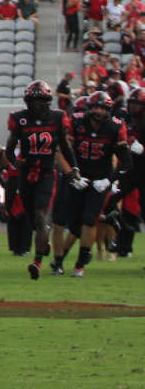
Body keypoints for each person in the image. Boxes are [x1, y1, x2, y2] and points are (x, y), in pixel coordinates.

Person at [3, 81, 79, 281]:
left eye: (40, 99)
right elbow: (9, 148)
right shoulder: (19, 119)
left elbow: (65, 146)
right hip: (26, 174)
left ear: (46, 101)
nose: (36, 103)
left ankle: (37, 261)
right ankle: (44, 244)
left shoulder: (57, 118)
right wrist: (13, 161)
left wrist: (74, 168)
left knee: (40, 215)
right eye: (33, 100)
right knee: (32, 220)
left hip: (46, 172)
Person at [51, 91, 131, 277]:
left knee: (89, 219)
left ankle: (80, 265)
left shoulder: (115, 126)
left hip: (99, 181)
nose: (98, 111)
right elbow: (60, 151)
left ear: (108, 110)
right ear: (89, 108)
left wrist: (108, 181)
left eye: (102, 108)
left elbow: (126, 162)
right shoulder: (77, 121)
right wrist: (73, 175)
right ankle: (107, 219)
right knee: (74, 224)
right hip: (78, 178)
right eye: (95, 107)